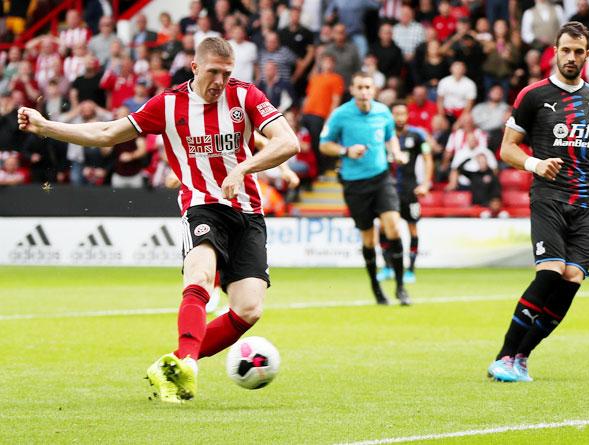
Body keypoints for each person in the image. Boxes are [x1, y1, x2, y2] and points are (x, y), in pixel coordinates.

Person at [17, 36, 300, 403]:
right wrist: (46, 127)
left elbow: (288, 142)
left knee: (249, 309)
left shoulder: (245, 96)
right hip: (202, 205)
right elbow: (107, 133)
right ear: (195, 67)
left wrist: (244, 167)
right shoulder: (168, 104)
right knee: (198, 276)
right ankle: (186, 366)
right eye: (213, 72)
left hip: (247, 211)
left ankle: (179, 362)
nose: (220, 81)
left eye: (227, 74)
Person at [487, 22, 589, 383]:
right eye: (565, 50)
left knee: (570, 280)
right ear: (555, 52)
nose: (571, 57)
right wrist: (536, 164)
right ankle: (504, 355)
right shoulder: (533, 95)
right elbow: (507, 148)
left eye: (578, 51)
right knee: (550, 272)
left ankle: (521, 357)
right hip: (549, 197)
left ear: (588, 55)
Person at [320, 72, 411, 306]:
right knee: (368, 238)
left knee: (393, 227)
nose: (364, 92)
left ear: (374, 89)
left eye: (368, 87)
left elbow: (391, 137)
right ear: (352, 89)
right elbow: (324, 145)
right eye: (359, 87)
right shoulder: (340, 115)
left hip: (381, 178)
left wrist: (397, 152)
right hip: (354, 183)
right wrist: (345, 151)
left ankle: (401, 287)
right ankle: (376, 287)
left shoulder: (383, 112)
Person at [378, 101, 433, 285]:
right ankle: (386, 267)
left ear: (407, 115)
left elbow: (427, 158)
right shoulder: (384, 134)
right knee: (384, 227)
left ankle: (410, 270)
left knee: (412, 228)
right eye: (396, 114)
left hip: (409, 189)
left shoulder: (417, 136)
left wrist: (425, 184)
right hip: (387, 188)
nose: (399, 117)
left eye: (403, 113)